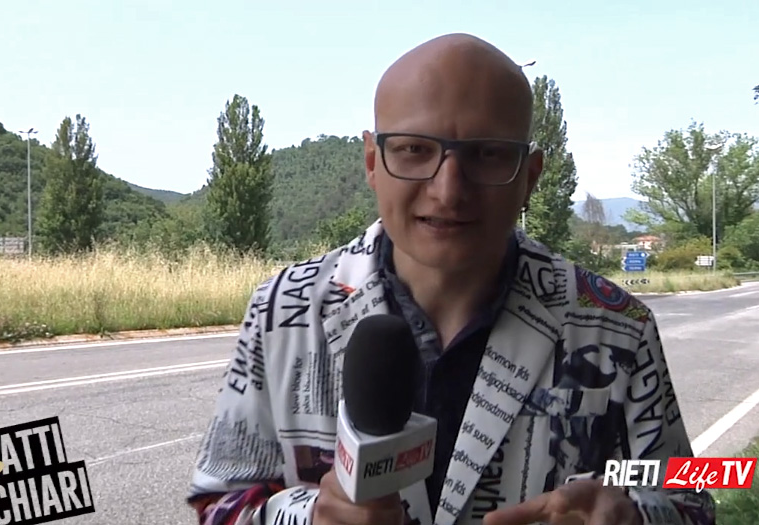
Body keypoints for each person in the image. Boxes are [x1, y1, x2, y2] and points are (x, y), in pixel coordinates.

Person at [187, 33, 716, 525]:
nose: (448, 191)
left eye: (488, 154)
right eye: (414, 149)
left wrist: (634, 512)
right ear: (372, 162)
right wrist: (307, 517)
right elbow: (217, 501)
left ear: (530, 176)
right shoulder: (282, 309)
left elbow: (694, 493)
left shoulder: (618, 325)